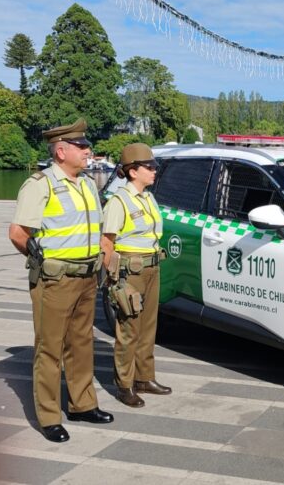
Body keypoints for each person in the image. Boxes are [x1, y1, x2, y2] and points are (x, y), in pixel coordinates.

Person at [8, 118, 113, 443]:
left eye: (86, 146)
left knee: (81, 345)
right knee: (49, 349)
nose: (88, 151)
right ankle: (49, 417)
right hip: (55, 281)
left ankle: (82, 404)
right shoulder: (40, 185)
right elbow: (18, 233)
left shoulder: (86, 185)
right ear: (61, 151)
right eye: (82, 147)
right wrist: (42, 259)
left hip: (85, 278)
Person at [101, 143, 172, 408]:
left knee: (148, 327)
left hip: (152, 267)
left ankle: (144, 377)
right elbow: (107, 243)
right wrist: (112, 281)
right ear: (133, 171)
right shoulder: (119, 202)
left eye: (154, 166)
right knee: (128, 329)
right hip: (130, 271)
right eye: (149, 167)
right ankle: (125, 384)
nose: (155, 170)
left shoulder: (147, 197)